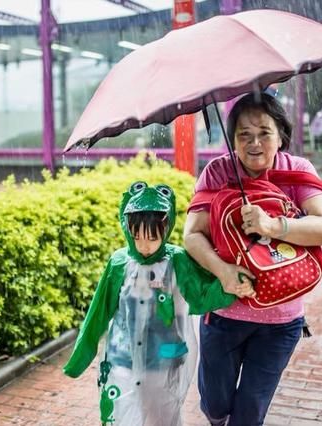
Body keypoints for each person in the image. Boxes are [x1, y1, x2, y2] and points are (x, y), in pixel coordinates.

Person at [183, 93, 322, 426]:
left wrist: (273, 225)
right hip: (224, 312)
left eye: (264, 132)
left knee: (250, 411)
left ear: (281, 135)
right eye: (244, 134)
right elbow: (191, 234)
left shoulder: (297, 171)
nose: (255, 143)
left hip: (282, 322)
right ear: (233, 140)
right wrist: (223, 271)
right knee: (214, 403)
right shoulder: (217, 172)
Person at [63, 181, 235, 426]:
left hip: (162, 361)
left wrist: (233, 284)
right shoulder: (119, 263)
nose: (144, 245)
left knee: (161, 415)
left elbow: (202, 296)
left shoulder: (177, 260)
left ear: (165, 230)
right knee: (122, 411)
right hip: (122, 357)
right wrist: (80, 358)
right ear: (126, 228)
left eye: (152, 238)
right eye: (137, 236)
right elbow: (98, 312)